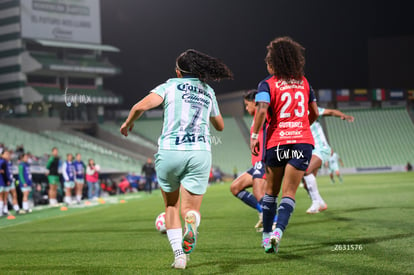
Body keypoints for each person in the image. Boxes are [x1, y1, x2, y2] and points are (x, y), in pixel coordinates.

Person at [120, 49, 232, 269]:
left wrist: (128, 123)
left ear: (179, 72)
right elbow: (220, 126)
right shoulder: (207, 91)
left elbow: (139, 106)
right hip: (199, 153)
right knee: (190, 210)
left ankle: (179, 256)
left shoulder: (169, 86)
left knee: (171, 205)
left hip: (170, 151)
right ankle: (192, 224)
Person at [250, 37, 318, 253]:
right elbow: (314, 113)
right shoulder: (305, 82)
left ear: (273, 63)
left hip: (277, 142)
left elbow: (261, 110)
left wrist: (254, 135)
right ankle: (279, 231)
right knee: (290, 192)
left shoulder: (266, 84)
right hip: (302, 142)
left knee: (271, 191)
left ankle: (267, 235)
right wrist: (301, 128)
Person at [303, 107, 354, 214]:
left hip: (321, 148)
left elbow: (330, 112)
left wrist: (343, 115)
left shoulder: (310, 109)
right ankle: (321, 203)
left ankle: (316, 203)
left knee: (306, 170)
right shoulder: (294, 116)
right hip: (310, 151)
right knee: (306, 183)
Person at [230, 90, 267, 231]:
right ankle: (263, 212)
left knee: (260, 194)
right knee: (235, 188)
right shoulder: (255, 118)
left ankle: (273, 221)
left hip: (265, 161)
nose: (246, 108)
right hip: (257, 163)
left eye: (247, 104)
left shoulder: (263, 114)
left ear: (255, 102)